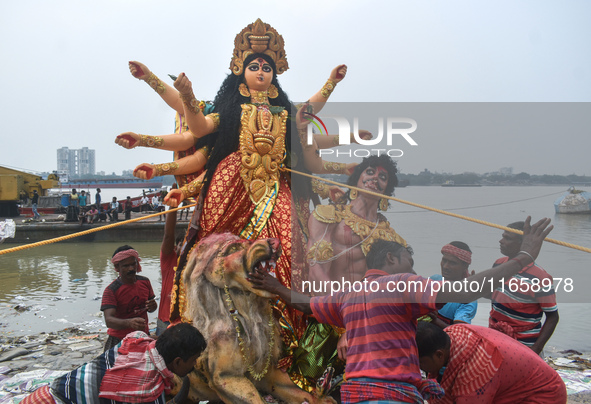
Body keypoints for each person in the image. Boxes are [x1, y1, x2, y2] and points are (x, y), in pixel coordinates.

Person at [115, 20, 352, 348]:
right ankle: (212, 325)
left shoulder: (285, 112)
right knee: (215, 252)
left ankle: (286, 327)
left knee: (292, 245)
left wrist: (331, 82)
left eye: (266, 67)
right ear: (241, 71)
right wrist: (172, 98)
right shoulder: (229, 108)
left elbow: (308, 115)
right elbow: (195, 129)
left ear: (274, 74)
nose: (260, 71)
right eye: (253, 65)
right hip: (230, 184)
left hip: (273, 185)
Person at [249, 217, 553, 404]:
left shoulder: (348, 293)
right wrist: (523, 256)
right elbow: (464, 290)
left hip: (355, 391)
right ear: (392, 260)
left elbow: (306, 305)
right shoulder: (402, 284)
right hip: (390, 394)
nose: (413, 263)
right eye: (408, 256)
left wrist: (274, 285)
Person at [20, 323, 206, 404]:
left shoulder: (136, 339)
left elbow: (149, 338)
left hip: (42, 394)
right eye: (194, 359)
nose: (195, 364)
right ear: (178, 361)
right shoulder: (148, 391)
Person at [308, 154, 407, 285]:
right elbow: (316, 272)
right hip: (334, 301)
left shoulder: (391, 237)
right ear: (357, 179)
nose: (375, 178)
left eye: (383, 177)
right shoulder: (329, 216)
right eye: (370, 172)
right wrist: (338, 305)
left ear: (386, 192)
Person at [415, 322, 567, 404]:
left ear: (439, 355)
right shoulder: (452, 333)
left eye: (421, 363)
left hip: (545, 394)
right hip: (515, 383)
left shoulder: (477, 368)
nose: (419, 369)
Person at [489, 221, 559, 354]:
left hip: (524, 345)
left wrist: (536, 349)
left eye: (507, 238)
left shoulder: (540, 278)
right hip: (495, 337)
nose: (501, 241)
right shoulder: (499, 264)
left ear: (524, 244)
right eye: (503, 236)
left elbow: (553, 317)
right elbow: (494, 294)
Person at [101, 245, 157, 351]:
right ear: (117, 268)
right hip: (119, 340)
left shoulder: (145, 282)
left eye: (133, 264)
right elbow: (109, 320)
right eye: (126, 266)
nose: (131, 269)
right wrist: (129, 323)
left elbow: (151, 308)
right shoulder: (111, 290)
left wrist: (153, 306)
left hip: (142, 335)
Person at [425, 241, 477, 328]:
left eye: (452, 263)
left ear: (465, 266)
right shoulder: (433, 280)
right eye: (444, 260)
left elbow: (459, 331)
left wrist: (434, 320)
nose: (445, 266)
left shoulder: (468, 299)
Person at [157, 208, 182, 336]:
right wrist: (173, 207)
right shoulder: (169, 260)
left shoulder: (197, 264)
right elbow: (168, 235)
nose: (184, 248)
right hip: (166, 321)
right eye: (181, 244)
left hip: (187, 323)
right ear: (175, 247)